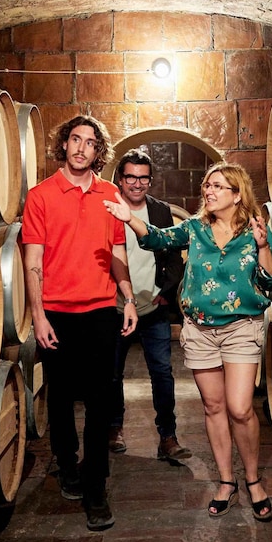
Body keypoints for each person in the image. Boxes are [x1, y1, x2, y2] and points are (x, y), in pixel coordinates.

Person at [103, 161, 272, 522]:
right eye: (207, 185)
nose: (208, 191)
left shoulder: (254, 230)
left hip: (240, 327)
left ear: (237, 194)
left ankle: (253, 480)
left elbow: (269, 281)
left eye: (217, 186)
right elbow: (158, 238)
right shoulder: (195, 228)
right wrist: (129, 218)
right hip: (200, 330)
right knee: (213, 407)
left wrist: (263, 246)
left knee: (240, 408)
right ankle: (227, 481)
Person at [22, 115, 138, 532]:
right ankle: (67, 463)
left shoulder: (110, 195)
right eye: (75, 139)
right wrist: (37, 316)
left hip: (101, 311)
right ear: (64, 144)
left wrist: (128, 298)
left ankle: (95, 488)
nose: (81, 147)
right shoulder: (40, 196)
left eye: (90, 142)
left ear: (98, 152)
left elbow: (118, 252)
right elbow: (33, 260)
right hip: (55, 312)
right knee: (59, 398)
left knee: (100, 402)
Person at [108, 149, 192, 462]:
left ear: (150, 180)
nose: (137, 183)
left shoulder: (159, 210)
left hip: (153, 307)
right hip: (115, 307)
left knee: (162, 374)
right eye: (131, 177)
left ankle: (168, 437)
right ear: (120, 179)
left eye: (143, 178)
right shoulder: (109, 208)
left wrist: (165, 291)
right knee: (112, 374)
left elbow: (173, 254)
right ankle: (114, 428)